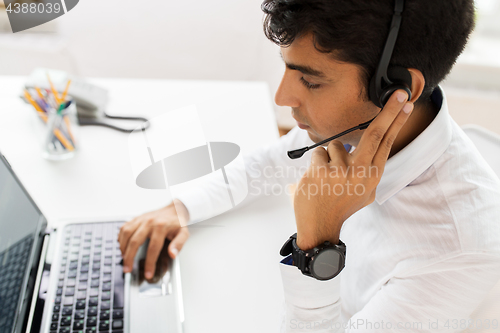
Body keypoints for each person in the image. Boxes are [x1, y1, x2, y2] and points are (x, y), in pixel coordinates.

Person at [118, 0, 500, 331]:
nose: (283, 97)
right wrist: (179, 209)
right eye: (288, 68)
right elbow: (268, 163)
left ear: (397, 90)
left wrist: (316, 246)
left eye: (311, 81)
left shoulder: (459, 249)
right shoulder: (352, 125)